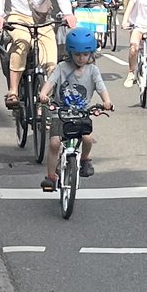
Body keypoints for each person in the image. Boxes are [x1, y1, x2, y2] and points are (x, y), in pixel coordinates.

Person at [36, 26, 113, 191]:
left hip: (81, 113)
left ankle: (85, 160)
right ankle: (50, 177)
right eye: (77, 54)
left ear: (91, 53)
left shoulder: (93, 70)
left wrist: (107, 101)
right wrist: (43, 94)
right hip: (60, 111)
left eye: (85, 54)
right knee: (55, 143)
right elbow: (51, 82)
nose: (81, 58)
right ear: (70, 53)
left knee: (88, 138)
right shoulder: (62, 67)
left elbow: (101, 87)